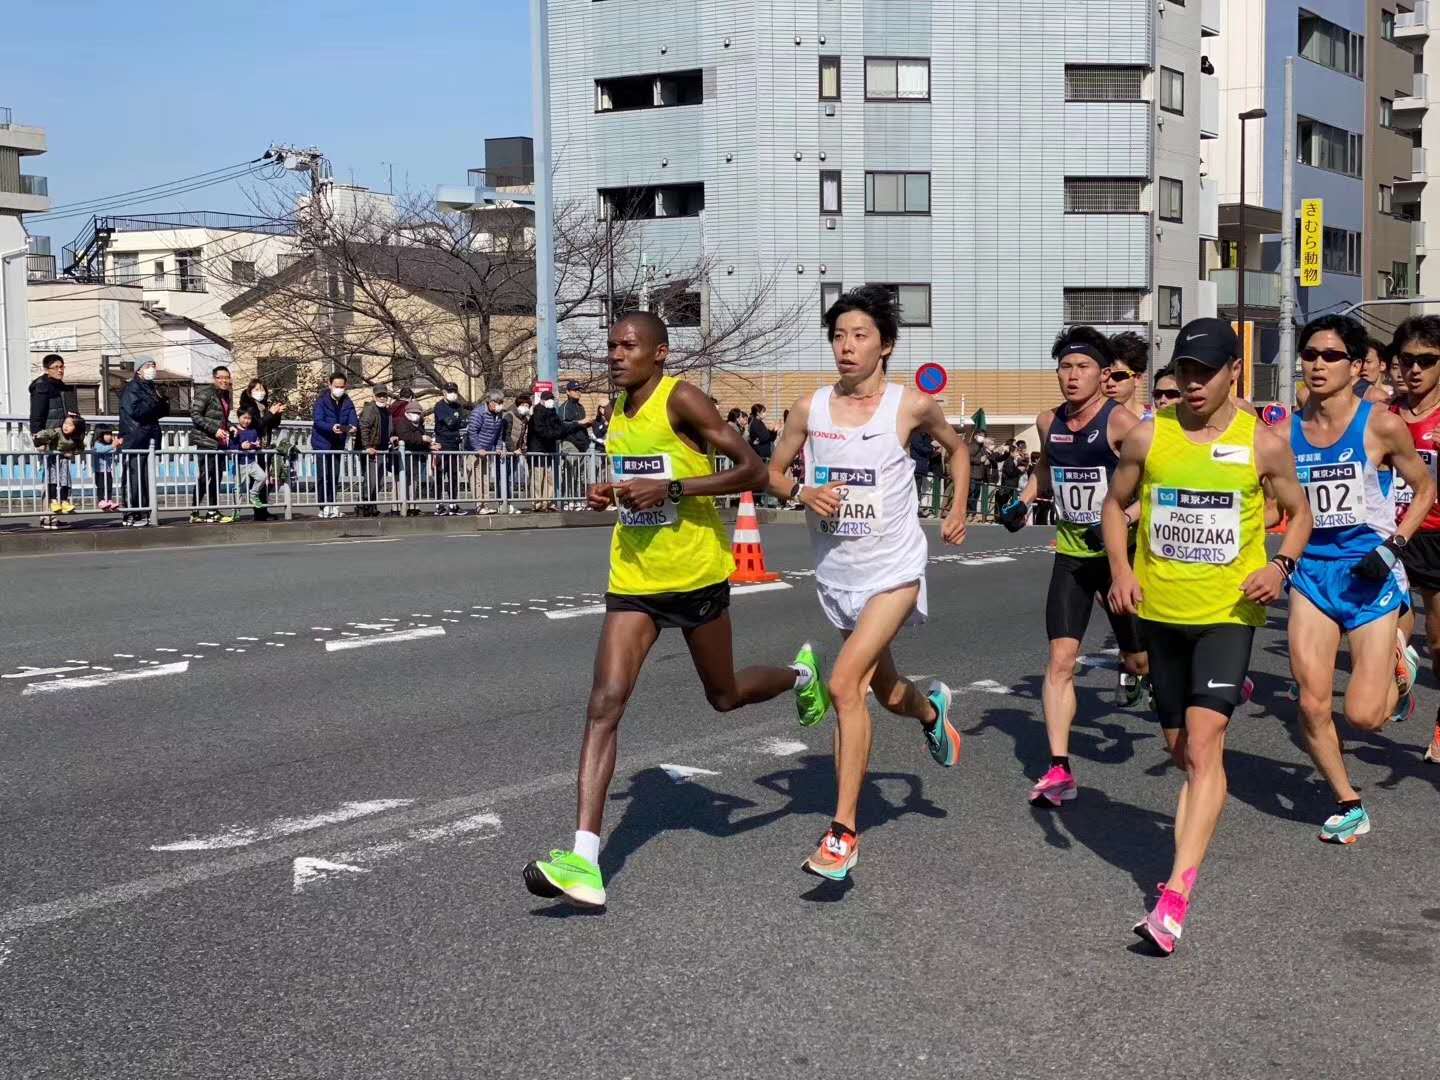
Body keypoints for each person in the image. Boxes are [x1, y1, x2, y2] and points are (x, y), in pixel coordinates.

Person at [522, 312, 821, 908]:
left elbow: (753, 470)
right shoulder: (617, 409)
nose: (615, 355)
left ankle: (800, 677)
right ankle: (585, 860)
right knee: (604, 703)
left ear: (659, 353)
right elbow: (640, 477)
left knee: (724, 695)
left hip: (695, 575)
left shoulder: (681, 398)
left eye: (628, 346)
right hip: (634, 577)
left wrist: (674, 489)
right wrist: (614, 491)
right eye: (611, 346)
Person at [1104, 317, 1312, 955]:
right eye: (1184, 372)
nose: (1193, 384)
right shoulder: (1149, 435)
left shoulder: (1263, 443)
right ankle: (1204, 756)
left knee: (1202, 744)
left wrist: (1279, 567)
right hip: (1162, 614)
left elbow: (1299, 514)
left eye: (1206, 372)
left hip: (1228, 613)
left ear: (1233, 372)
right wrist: (1120, 570)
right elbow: (1114, 505)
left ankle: (1174, 895)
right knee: (1183, 753)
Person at [765, 283, 969, 881]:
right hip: (839, 576)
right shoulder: (809, 408)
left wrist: (956, 508)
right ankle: (930, 712)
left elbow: (958, 451)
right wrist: (802, 491)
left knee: (843, 683)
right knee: (886, 691)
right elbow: (769, 473)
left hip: (895, 570)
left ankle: (843, 833)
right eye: (838, 336)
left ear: (886, 346)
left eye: (860, 335)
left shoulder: (909, 406)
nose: (847, 346)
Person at [1280, 314, 1433, 844]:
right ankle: (1348, 802)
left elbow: (1425, 489)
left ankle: (1398, 663)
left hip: (1371, 575)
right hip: (1312, 575)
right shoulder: (1282, 433)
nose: (1318, 364)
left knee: (1365, 718)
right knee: (1311, 701)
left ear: (1355, 366)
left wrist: (1394, 545)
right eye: (1310, 354)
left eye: (1331, 356)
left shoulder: (1381, 425)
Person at [998, 326, 1152, 806]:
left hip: (1120, 558)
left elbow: (1156, 488)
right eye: (1065, 366)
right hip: (1071, 556)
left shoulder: (1123, 424)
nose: (1072, 375)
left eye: (1083, 366)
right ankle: (1059, 768)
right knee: (1061, 660)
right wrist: (1024, 502)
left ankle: (1141, 672)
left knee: (1138, 659)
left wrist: (1123, 518)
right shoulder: (1049, 421)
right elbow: (1047, 468)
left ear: (1103, 375)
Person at [1388, 314, 1440, 765]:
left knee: (1439, 645)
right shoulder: (1383, 417)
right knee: (1386, 634)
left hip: (1439, 537)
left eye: (1427, 360)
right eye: (1407, 359)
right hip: (1393, 537)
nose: (1415, 369)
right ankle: (1399, 679)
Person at [117, 357, 168, 527]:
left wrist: (163, 401)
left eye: (154, 365)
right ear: (138, 370)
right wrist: (155, 404)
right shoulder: (132, 387)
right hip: (135, 436)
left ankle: (145, 510)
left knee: (146, 476)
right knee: (134, 476)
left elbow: (161, 411)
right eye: (148, 366)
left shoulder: (151, 387)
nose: (152, 369)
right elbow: (136, 411)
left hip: (149, 436)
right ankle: (131, 512)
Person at [29, 354, 77, 528]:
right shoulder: (41, 387)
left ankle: (54, 514)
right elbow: (36, 414)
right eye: (56, 367)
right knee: (49, 475)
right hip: (49, 436)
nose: (60, 370)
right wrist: (38, 436)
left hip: (63, 437)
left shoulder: (62, 387)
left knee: (62, 475)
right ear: (46, 369)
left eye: (62, 366)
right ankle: (47, 516)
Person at [188, 365, 235, 524]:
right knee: (205, 476)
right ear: (214, 379)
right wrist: (214, 430)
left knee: (216, 476)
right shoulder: (206, 393)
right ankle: (195, 511)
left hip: (219, 443)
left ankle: (212, 511)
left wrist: (230, 426)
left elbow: (221, 419)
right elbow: (195, 415)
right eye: (220, 378)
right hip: (206, 441)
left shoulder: (226, 395)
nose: (224, 380)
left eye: (226, 377)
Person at [527, 389, 587, 512]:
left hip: (549, 449)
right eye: (548, 399)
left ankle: (547, 502)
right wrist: (556, 434)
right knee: (538, 478)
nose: (551, 401)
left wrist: (575, 425)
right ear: (542, 400)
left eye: (552, 399)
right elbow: (541, 431)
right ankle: (537, 503)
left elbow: (561, 427)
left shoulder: (553, 413)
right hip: (537, 449)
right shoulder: (537, 413)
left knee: (549, 478)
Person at [312, 372, 357, 519]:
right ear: (330, 385)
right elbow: (318, 421)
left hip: (338, 443)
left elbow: (353, 418)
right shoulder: (321, 401)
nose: (339, 389)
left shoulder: (347, 401)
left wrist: (352, 427)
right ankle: (323, 506)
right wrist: (331, 427)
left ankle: (333, 504)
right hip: (322, 443)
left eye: (342, 386)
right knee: (323, 475)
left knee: (334, 474)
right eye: (336, 386)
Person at [239, 379, 285, 521]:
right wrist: (270, 413)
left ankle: (263, 509)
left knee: (265, 480)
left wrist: (277, 414)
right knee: (257, 480)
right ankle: (258, 512)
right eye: (257, 389)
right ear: (250, 391)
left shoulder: (264, 405)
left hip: (265, 445)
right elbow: (257, 424)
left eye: (262, 389)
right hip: (254, 446)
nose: (260, 392)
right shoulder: (248, 406)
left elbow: (273, 424)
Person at [31, 414, 88, 529]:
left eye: (70, 425)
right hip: (53, 460)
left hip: (64, 461)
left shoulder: (76, 438)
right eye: (65, 423)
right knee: (52, 480)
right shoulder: (57, 432)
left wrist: (72, 453)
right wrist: (38, 436)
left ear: (76, 428)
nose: (66, 426)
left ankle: (64, 501)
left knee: (65, 480)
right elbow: (47, 434)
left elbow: (80, 448)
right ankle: (53, 502)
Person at [465, 388, 511, 514]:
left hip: (487, 451)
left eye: (501, 402)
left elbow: (499, 434)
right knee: (476, 479)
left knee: (485, 478)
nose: (500, 405)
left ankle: (485, 504)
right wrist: (478, 448)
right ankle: (479, 505)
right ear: (490, 402)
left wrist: (498, 448)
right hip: (475, 451)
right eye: (498, 402)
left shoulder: (498, 415)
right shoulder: (478, 413)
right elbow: (472, 432)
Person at [356, 385, 396, 517]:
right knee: (371, 481)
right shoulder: (370, 409)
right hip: (372, 450)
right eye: (379, 395)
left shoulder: (387, 411)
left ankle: (372, 506)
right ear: (374, 396)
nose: (382, 398)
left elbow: (387, 429)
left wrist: (391, 437)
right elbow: (364, 428)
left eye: (384, 395)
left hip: (382, 450)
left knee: (379, 481)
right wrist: (367, 446)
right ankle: (363, 506)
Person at [433, 382, 468, 516]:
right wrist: (456, 420)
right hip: (442, 444)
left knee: (453, 475)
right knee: (440, 475)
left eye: (454, 391)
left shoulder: (458, 406)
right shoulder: (439, 406)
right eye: (450, 391)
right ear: (444, 392)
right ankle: (439, 505)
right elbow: (449, 423)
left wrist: (456, 421)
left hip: (454, 444)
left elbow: (463, 422)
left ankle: (453, 504)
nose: (453, 394)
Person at [393, 399, 433, 513]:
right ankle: (398, 507)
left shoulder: (419, 423)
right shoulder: (401, 422)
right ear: (407, 412)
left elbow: (420, 441)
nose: (416, 415)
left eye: (418, 413)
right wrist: (422, 438)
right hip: (402, 457)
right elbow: (405, 437)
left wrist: (429, 446)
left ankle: (412, 506)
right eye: (413, 412)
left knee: (413, 482)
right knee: (401, 482)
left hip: (414, 458)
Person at [559, 379, 592, 510]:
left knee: (580, 473)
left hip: (582, 444)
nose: (578, 392)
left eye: (579, 390)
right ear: (568, 392)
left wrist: (587, 423)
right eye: (575, 390)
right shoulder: (564, 407)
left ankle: (578, 499)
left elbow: (581, 426)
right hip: (570, 443)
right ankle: (568, 500)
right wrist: (579, 422)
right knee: (570, 472)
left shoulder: (581, 407)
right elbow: (563, 426)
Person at [231, 407, 268, 510]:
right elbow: (231, 446)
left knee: (262, 477)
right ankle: (236, 510)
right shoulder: (234, 430)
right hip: (239, 463)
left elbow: (257, 444)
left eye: (249, 418)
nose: (247, 421)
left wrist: (257, 445)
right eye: (244, 418)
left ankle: (253, 494)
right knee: (238, 487)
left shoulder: (253, 431)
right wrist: (241, 446)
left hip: (251, 462)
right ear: (238, 417)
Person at [1106, 330, 1150, 416]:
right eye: (1105, 375)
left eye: (1119, 375)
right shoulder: (1086, 421)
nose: (1109, 383)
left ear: (1137, 378)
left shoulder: (1157, 420)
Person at [505, 393, 532, 513]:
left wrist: (522, 448)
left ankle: (509, 503)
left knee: (510, 478)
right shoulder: (509, 415)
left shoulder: (524, 419)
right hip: (508, 452)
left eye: (528, 405)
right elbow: (506, 435)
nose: (525, 407)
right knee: (505, 478)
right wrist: (512, 449)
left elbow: (523, 436)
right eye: (523, 404)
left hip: (516, 452)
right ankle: (505, 503)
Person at [1354, 337, 1394, 404]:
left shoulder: (1392, 396)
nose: (1363, 367)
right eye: (1360, 361)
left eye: (1368, 362)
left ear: (1382, 365)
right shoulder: (1350, 391)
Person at [92, 427, 120, 513]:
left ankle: (109, 500)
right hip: (99, 470)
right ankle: (101, 500)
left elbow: (114, 452)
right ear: (100, 435)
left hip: (108, 470)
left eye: (110, 434)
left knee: (109, 486)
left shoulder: (109, 445)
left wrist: (118, 446)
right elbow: (101, 450)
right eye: (106, 434)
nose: (109, 436)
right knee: (101, 486)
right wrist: (112, 446)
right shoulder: (97, 444)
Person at [909, 427, 935, 513]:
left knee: (919, 487)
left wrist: (931, 448)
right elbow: (921, 447)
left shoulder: (925, 436)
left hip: (921, 467)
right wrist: (931, 449)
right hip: (916, 466)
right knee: (915, 487)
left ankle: (917, 506)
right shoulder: (916, 436)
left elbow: (928, 445)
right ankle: (914, 507)